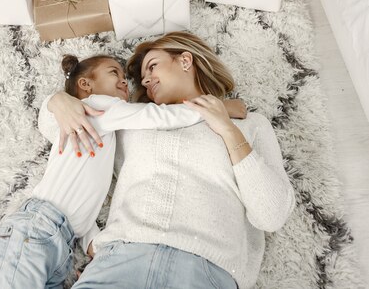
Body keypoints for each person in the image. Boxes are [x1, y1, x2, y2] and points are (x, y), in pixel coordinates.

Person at [40, 32, 295, 289]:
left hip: (204, 271)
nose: (146, 80)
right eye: (143, 78)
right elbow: (58, 131)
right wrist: (56, 101)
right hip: (118, 261)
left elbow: (271, 215)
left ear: (185, 60)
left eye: (152, 66)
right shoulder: (132, 122)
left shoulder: (249, 124)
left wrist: (228, 130)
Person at [0, 52, 246, 289]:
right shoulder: (98, 106)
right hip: (38, 227)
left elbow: (86, 203)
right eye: (114, 73)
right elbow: (159, 116)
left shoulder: (104, 134)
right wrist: (218, 110)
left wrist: (94, 245)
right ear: (86, 85)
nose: (125, 82)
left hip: (61, 239)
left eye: (125, 78)